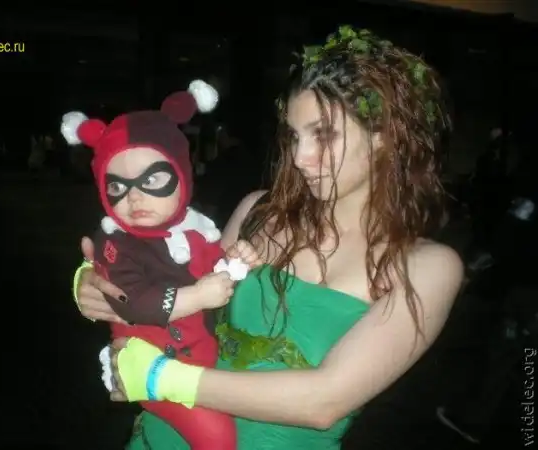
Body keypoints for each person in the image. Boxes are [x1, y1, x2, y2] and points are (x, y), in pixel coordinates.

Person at [73, 25, 463, 449]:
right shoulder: (258, 212)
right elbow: (178, 293)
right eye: (295, 136)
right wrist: (102, 283)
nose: (300, 157)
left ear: (385, 136)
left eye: (324, 134)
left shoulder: (426, 267)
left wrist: (159, 378)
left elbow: (324, 402)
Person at [61, 80, 259, 450]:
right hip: (150, 364)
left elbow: (215, 268)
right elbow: (131, 301)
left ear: (182, 173)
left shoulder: (196, 229)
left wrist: (236, 260)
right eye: (117, 187)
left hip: (200, 358)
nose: (135, 197)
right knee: (217, 437)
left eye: (151, 180)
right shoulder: (116, 243)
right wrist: (198, 296)